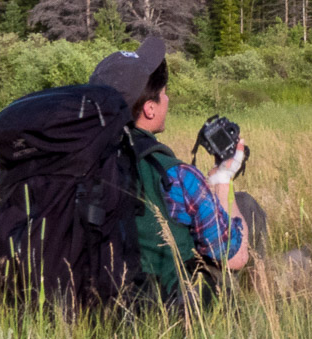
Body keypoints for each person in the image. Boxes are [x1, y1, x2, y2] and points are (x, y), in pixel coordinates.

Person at [88, 33, 253, 301]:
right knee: (246, 210)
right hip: (167, 314)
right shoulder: (177, 176)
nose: (168, 100)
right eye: (164, 94)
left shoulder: (80, 163)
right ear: (150, 109)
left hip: (96, 304)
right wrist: (224, 179)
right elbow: (233, 258)